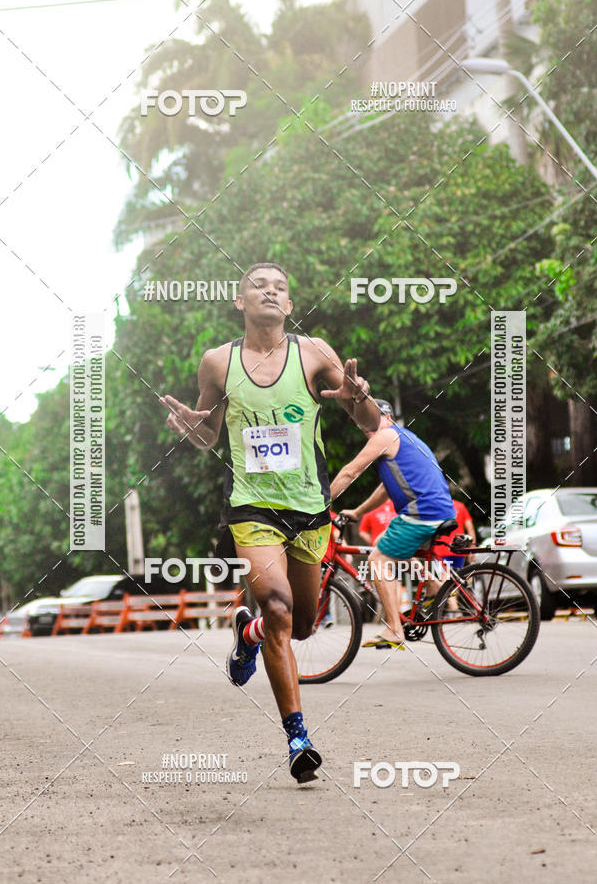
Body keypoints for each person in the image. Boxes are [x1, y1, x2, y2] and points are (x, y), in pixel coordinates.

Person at [161, 262, 379, 783]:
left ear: (290, 304)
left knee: (300, 625)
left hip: (309, 507)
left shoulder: (315, 353)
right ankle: (298, 737)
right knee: (278, 606)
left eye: (280, 287)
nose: (271, 292)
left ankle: (248, 632)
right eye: (259, 286)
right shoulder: (217, 362)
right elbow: (209, 436)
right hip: (251, 507)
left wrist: (358, 398)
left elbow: (371, 423)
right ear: (240, 301)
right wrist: (191, 429)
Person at [329, 399, 455, 648]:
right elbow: (386, 489)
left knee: (377, 560)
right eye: (361, 422)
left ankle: (394, 630)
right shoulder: (404, 438)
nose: (365, 426)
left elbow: (350, 472)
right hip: (436, 510)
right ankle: (434, 585)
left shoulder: (386, 436)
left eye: (370, 419)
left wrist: (321, 503)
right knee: (383, 543)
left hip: (422, 513)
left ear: (387, 417)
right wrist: (358, 511)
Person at [432, 497, 477, 570]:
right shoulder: (460, 506)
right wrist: (472, 548)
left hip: (440, 550)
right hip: (459, 549)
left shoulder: (436, 507)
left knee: (444, 576)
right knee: (459, 575)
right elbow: (470, 529)